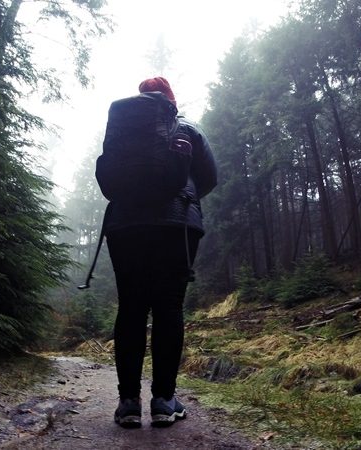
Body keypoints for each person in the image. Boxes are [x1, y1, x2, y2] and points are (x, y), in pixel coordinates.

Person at [105, 77, 217, 428]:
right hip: (177, 225)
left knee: (131, 309)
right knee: (168, 308)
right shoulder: (186, 130)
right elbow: (210, 178)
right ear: (170, 102)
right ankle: (164, 401)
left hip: (125, 226)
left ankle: (128, 403)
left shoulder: (123, 131)